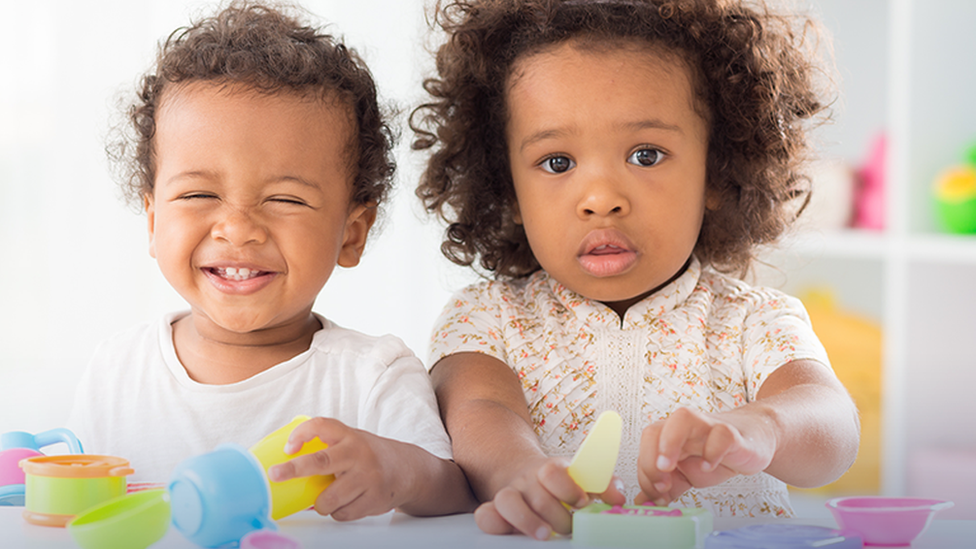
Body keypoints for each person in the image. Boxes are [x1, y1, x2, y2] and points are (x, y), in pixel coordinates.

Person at [411, 0, 860, 538]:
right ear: (509, 191)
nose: (601, 198)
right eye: (558, 162)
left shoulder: (752, 321)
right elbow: (478, 412)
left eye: (645, 154)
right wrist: (521, 473)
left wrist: (759, 428)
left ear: (716, 171)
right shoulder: (486, 320)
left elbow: (832, 427)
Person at [67, 1, 476, 520]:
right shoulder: (116, 372)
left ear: (352, 234)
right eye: (197, 195)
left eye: (285, 199)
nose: (237, 227)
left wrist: (398, 469)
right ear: (152, 222)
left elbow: (456, 492)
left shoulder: (372, 378)